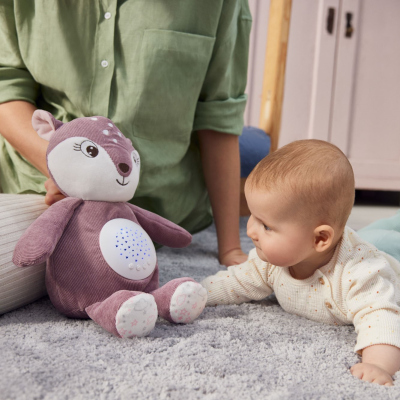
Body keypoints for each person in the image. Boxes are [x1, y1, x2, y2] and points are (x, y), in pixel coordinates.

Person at [0, 1, 251, 313]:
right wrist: (67, 173)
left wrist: (230, 247)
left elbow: (219, 117)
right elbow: (6, 89)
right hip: (38, 185)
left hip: (159, 201)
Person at [201, 139, 400, 386]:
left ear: (320, 238)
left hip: (391, 256)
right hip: (360, 238)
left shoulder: (361, 274)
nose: (250, 231)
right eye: (252, 216)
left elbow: (381, 318)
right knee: (375, 232)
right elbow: (235, 282)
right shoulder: (270, 263)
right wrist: (195, 293)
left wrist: (378, 364)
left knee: (389, 238)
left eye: (266, 225)